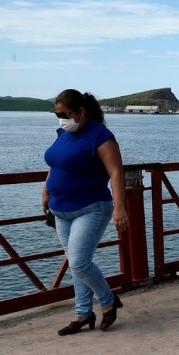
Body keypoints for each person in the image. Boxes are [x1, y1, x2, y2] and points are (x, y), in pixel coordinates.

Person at [43, 89, 127, 335]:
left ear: (81, 111)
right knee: (76, 264)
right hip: (60, 210)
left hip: (91, 208)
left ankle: (108, 300)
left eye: (65, 114)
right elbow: (55, 164)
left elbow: (115, 172)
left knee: (79, 263)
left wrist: (120, 207)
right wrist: (45, 190)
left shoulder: (100, 136)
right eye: (57, 114)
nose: (61, 119)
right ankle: (82, 314)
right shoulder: (62, 134)